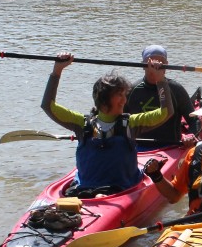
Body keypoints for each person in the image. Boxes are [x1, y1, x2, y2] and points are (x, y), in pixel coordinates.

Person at [41, 52, 173, 197]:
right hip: (84, 189)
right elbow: (48, 105)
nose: (124, 100)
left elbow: (166, 112)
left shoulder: (131, 123)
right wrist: (57, 71)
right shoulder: (81, 123)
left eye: (125, 95)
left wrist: (160, 80)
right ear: (104, 100)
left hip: (122, 190)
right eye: (120, 95)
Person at [125, 45, 200, 148]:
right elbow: (119, 120)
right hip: (138, 147)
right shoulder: (132, 90)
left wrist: (191, 135)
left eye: (161, 62)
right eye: (151, 62)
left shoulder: (176, 89)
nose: (156, 66)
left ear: (167, 66)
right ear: (143, 65)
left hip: (170, 147)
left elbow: (195, 121)